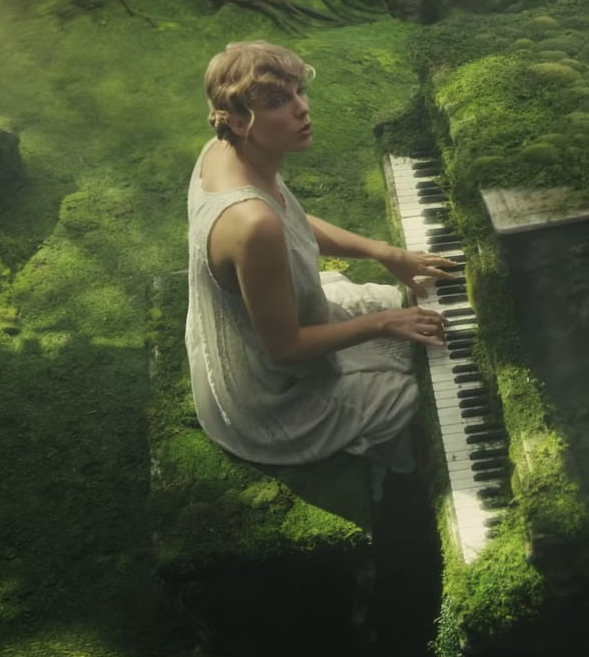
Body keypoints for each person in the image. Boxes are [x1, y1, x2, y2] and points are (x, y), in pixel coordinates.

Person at [185, 40, 457, 486]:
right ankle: (397, 485)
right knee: (419, 394)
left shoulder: (223, 151)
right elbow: (286, 348)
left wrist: (383, 252)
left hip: (265, 332)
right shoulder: (251, 223)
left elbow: (287, 218)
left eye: (298, 92)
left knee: (418, 313)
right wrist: (383, 324)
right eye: (278, 102)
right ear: (237, 121)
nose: (301, 109)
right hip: (273, 395)